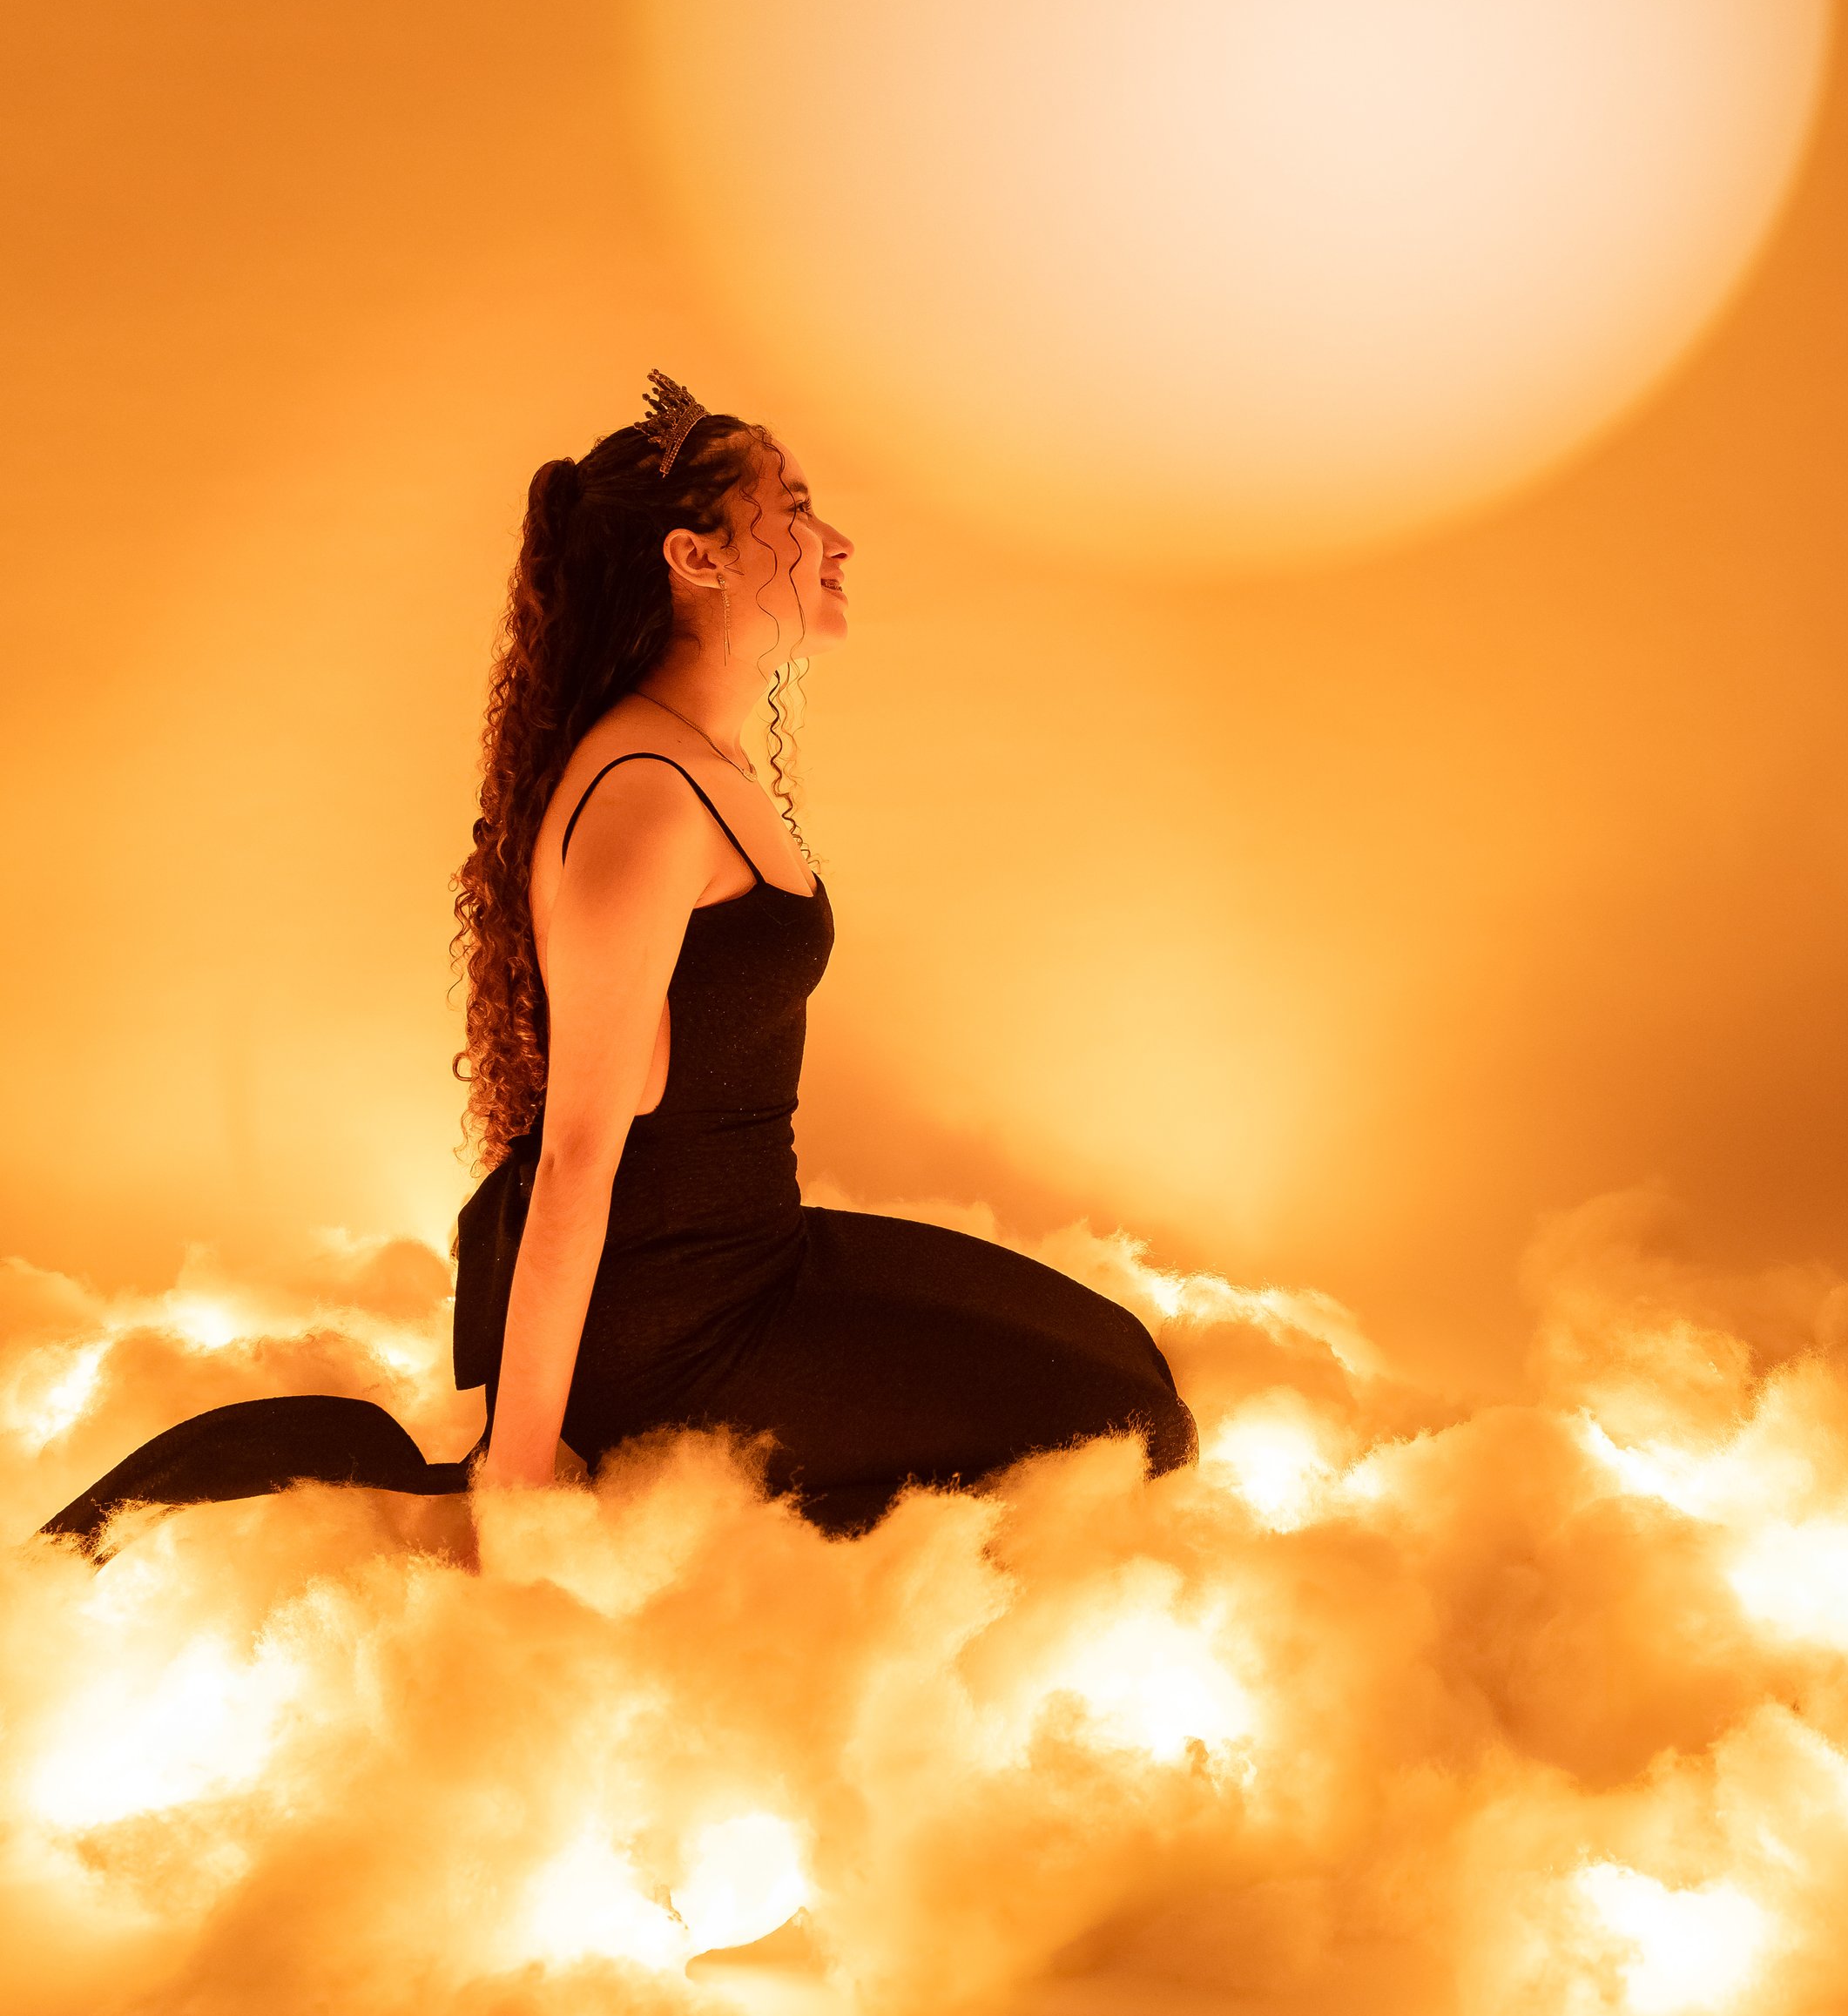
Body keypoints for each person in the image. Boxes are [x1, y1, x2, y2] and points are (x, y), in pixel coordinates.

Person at [44, 373, 1195, 1553]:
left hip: (763, 1252)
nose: (835, 538)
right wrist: (522, 1478)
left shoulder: (694, 751)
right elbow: (579, 1160)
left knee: (1128, 1358)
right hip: (672, 1331)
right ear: (696, 558)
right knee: (1139, 1427)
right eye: (793, 512)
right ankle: (670, 1512)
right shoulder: (645, 805)